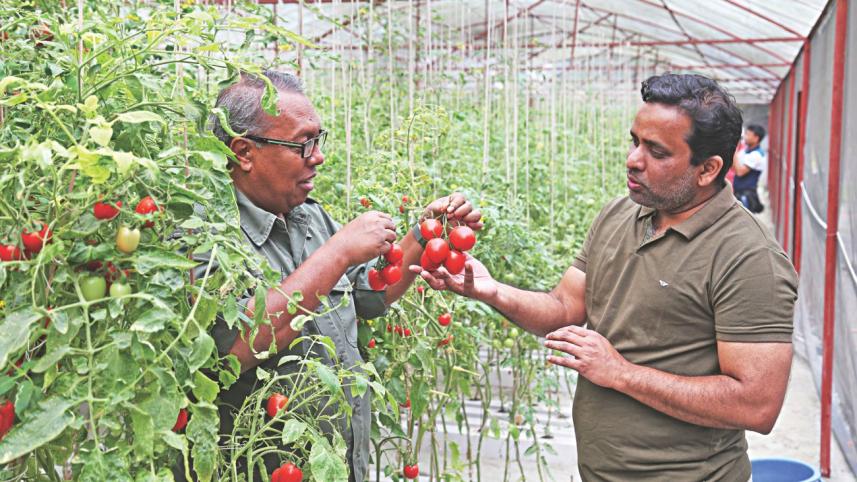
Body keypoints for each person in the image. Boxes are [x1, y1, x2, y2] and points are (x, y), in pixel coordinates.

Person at [413, 73, 797, 481]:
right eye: (635, 141)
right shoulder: (620, 214)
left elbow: (756, 405)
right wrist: (492, 291)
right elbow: (563, 308)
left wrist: (621, 373)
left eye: (657, 151)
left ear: (708, 169)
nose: (633, 159)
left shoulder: (748, 256)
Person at [199, 70, 482, 482]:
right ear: (244, 152)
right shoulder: (206, 235)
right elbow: (235, 350)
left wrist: (426, 233)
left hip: (338, 463)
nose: (318, 156)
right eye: (302, 144)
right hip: (262, 468)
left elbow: (371, 294)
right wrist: (339, 250)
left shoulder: (311, 218)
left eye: (319, 140)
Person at [733, 124, 767, 213]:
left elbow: (739, 172)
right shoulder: (745, 151)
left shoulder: (757, 155)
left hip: (747, 195)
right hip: (738, 192)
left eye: (748, 134)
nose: (745, 137)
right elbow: (734, 166)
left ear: (756, 138)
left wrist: (734, 150)